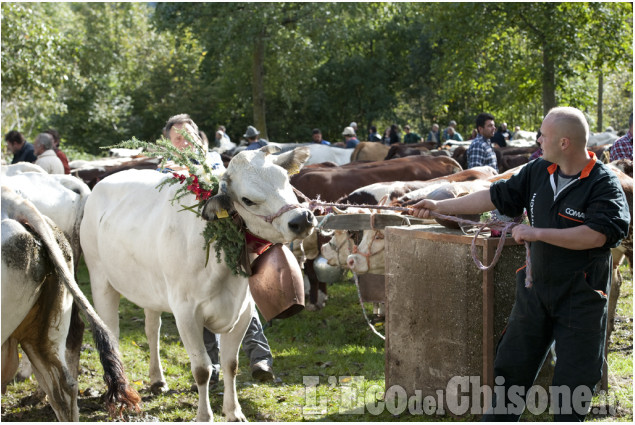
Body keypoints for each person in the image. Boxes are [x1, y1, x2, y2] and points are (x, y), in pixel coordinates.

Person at [409, 106, 630, 421]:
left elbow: (597, 235)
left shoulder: (603, 183)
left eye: (543, 134)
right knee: (510, 372)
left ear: (564, 142)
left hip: (581, 296)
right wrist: (438, 206)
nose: (538, 139)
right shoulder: (538, 170)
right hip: (535, 290)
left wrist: (536, 232)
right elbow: (493, 196)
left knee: (573, 388)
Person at [163, 114, 275, 386]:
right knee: (197, 302)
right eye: (179, 138)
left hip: (228, 240)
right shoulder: (167, 171)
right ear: (170, 143)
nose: (185, 142)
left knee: (239, 296)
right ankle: (210, 366)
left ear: (198, 136)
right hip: (189, 249)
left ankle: (260, 357)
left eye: (189, 135)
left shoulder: (214, 161)